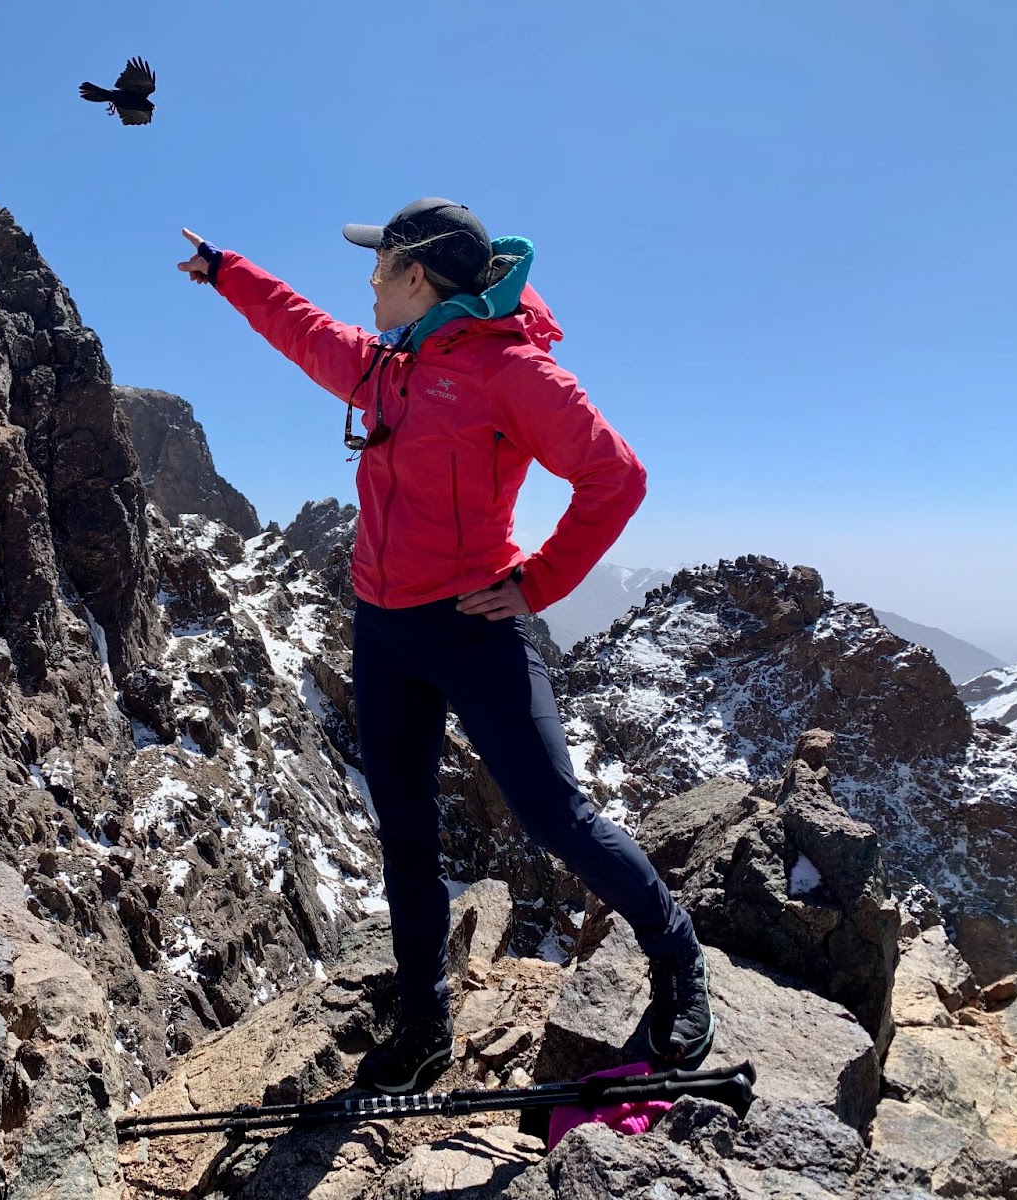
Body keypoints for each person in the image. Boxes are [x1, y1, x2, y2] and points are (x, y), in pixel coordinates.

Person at [176, 199, 714, 1095]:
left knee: (554, 818)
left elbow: (615, 475)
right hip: (383, 629)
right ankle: (424, 1020)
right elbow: (301, 329)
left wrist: (537, 584)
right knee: (407, 834)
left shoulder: (512, 371)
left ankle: (677, 956)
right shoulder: (389, 364)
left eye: (379, 266)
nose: (370, 283)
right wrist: (230, 272)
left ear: (415, 276)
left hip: (473, 626)